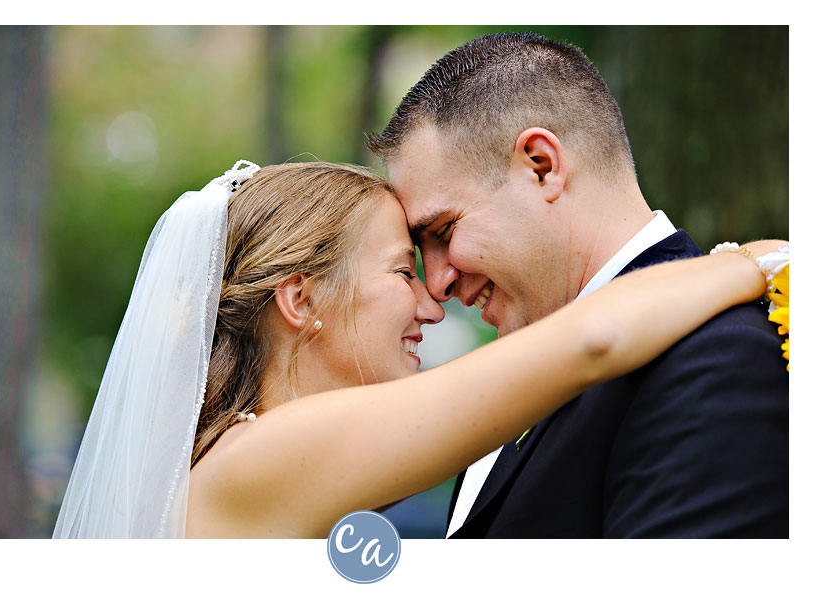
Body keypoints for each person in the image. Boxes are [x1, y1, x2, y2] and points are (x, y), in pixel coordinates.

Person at [52, 159, 783, 539]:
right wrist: (752, 264)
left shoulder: (245, 463)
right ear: (300, 300)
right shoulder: (269, 457)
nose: (434, 303)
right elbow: (592, 339)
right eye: (405, 270)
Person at [367, 32, 789, 538]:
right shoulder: (519, 379)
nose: (435, 284)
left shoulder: (720, 359)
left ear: (542, 167)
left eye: (444, 231)